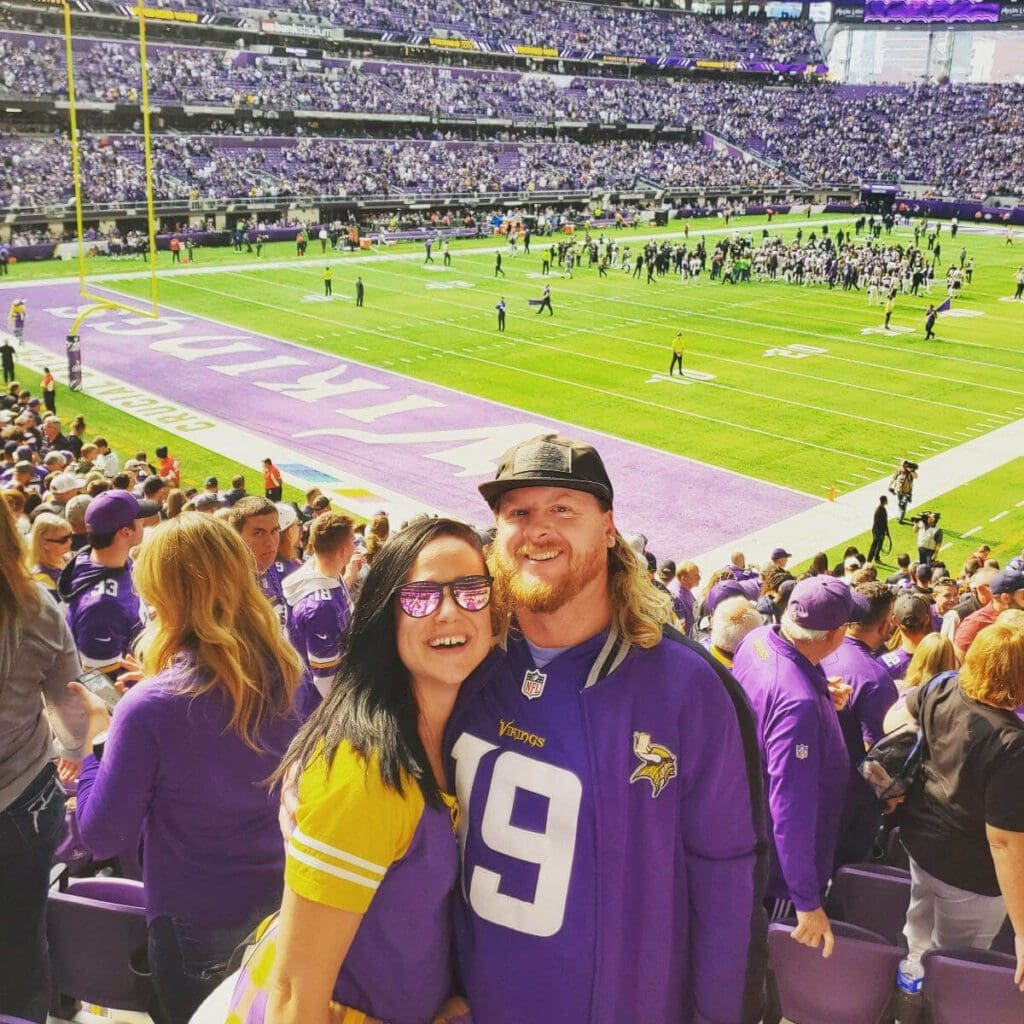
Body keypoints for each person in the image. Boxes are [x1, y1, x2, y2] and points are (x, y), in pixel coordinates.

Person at [446, 433, 768, 1023]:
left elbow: (725, 877)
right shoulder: (464, 665)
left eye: (563, 509)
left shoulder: (686, 686)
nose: (539, 529)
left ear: (609, 527)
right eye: (519, 512)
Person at [225, 518, 496, 1024]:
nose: (449, 612)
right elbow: (293, 996)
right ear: (385, 615)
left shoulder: (456, 730)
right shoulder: (363, 769)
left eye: (471, 591)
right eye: (420, 597)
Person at [71, 514, 304, 1024]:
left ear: (164, 597)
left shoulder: (151, 708)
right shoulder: (292, 674)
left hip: (197, 923)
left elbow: (101, 834)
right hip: (285, 910)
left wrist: (98, 736)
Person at [733, 576, 872, 953]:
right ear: (834, 634)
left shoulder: (758, 639)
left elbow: (765, 699)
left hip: (743, 823)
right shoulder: (799, 705)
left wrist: (822, 694)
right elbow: (790, 812)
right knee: (766, 957)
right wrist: (806, 901)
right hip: (776, 871)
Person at [886, 623, 1024, 987]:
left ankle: (911, 988)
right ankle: (930, 999)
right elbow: (1005, 843)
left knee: (918, 933)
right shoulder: (1013, 744)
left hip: (920, 844)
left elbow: (893, 719)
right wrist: (1023, 935)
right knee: (955, 963)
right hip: (970, 874)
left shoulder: (943, 685)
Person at [0, 497, 87, 1024]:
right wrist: (75, 754)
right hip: (24, 801)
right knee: (20, 942)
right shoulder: (37, 607)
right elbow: (70, 700)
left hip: (23, 798)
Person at [820, 582, 898, 866]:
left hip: (814, 786)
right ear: (885, 622)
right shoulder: (875, 678)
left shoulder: (820, 649)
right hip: (850, 805)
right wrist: (889, 794)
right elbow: (874, 752)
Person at [58, 490, 148, 674]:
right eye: (140, 519)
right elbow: (102, 686)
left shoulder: (94, 557)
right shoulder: (103, 608)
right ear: (125, 532)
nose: (144, 522)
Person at [283, 512, 358, 705]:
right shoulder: (322, 608)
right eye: (352, 542)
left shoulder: (323, 572)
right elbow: (325, 679)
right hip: (316, 703)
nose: (354, 547)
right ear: (342, 550)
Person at [27, 511, 73, 601]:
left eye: (70, 536)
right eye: (63, 540)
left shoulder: (69, 558)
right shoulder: (41, 578)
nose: (69, 542)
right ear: (44, 544)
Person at [867, 494, 890, 563]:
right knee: (875, 545)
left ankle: (876, 558)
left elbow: (884, 522)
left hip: (881, 531)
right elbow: (877, 522)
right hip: (878, 531)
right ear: (884, 501)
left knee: (879, 545)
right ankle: (869, 559)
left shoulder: (882, 509)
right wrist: (879, 533)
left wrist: (886, 531)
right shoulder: (880, 510)